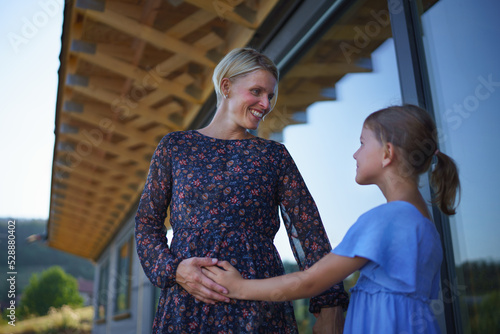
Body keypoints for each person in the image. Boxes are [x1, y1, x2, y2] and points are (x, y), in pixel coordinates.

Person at [135, 47, 349, 333]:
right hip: (187, 305)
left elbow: (310, 232)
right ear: (226, 86)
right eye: (257, 91)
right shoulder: (175, 147)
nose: (265, 103)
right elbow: (147, 223)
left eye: (270, 96)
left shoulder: (274, 156)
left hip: (260, 308)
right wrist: (173, 270)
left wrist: (329, 307)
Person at [203, 104, 461, 334]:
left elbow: (310, 281)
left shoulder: (384, 219)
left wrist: (238, 288)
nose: (355, 154)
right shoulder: (424, 224)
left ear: (387, 153)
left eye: (362, 143)